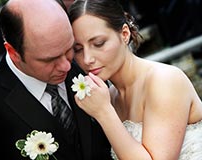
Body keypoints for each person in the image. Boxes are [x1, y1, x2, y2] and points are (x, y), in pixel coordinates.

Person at [0, 0, 113, 159]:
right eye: (49, 60)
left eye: (69, 48)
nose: (66, 66)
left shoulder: (88, 65)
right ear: (13, 52)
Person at [68, 0, 202, 159]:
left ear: (124, 34)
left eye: (98, 43)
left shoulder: (164, 80)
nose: (87, 58)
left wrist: (104, 113)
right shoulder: (108, 96)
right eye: (78, 49)